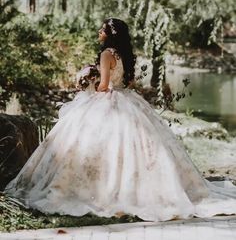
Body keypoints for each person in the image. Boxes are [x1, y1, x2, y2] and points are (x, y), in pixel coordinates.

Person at [4, 18, 236, 221]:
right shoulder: (124, 55)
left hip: (109, 101)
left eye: (102, 30)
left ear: (109, 34)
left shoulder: (106, 54)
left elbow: (105, 86)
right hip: (128, 99)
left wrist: (89, 83)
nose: (99, 33)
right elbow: (127, 83)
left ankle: (100, 191)